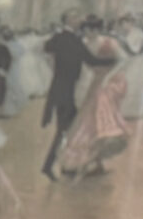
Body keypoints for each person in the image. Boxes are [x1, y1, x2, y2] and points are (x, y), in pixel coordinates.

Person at [54, 16, 130, 178]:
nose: (87, 33)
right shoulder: (85, 44)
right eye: (85, 30)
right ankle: (87, 162)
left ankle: (94, 161)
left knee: (96, 121)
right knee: (87, 122)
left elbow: (123, 60)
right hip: (94, 83)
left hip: (107, 85)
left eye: (89, 30)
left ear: (96, 29)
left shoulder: (109, 43)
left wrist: (109, 76)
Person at [41, 10, 109, 180]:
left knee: (73, 130)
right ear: (69, 20)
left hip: (63, 90)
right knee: (65, 131)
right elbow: (92, 60)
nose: (80, 18)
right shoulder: (71, 39)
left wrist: (54, 68)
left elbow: (45, 49)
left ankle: (68, 165)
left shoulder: (60, 38)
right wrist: (115, 61)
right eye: (76, 16)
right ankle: (51, 166)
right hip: (66, 92)